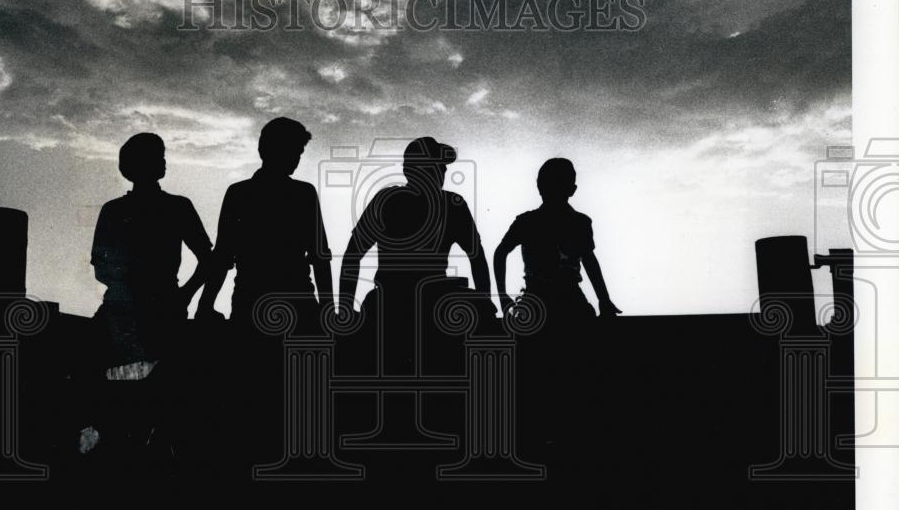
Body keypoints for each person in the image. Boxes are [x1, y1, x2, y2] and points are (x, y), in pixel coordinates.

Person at [85, 132, 213, 471]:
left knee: (118, 388)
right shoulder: (171, 207)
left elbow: (100, 269)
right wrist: (183, 294)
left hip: (135, 312)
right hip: (148, 312)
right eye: (158, 156)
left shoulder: (120, 210)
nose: (164, 161)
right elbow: (209, 260)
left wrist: (181, 293)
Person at [339, 136, 495, 372]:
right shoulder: (452, 205)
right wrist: (485, 303)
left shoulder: (387, 201)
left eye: (442, 167)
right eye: (438, 166)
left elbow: (352, 255)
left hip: (391, 304)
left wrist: (346, 311)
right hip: (426, 305)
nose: (442, 171)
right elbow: (477, 257)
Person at [195, 117, 332, 326]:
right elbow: (320, 256)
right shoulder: (303, 194)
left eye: (299, 153)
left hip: (249, 303)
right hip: (297, 304)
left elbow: (223, 256)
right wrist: (328, 308)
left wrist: (205, 306)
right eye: (293, 151)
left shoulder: (238, 194)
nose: (296, 159)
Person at [494, 157, 621, 322]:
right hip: (568, 300)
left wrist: (503, 296)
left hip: (538, 301)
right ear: (572, 190)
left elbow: (500, 253)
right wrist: (603, 299)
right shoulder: (579, 222)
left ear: (539, 187)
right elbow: (589, 260)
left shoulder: (527, 221)